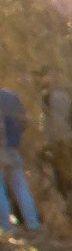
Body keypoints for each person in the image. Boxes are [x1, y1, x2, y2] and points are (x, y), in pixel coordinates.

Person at [35, 69, 72, 229]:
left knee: (62, 181)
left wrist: (45, 145)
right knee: (70, 178)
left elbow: (46, 125)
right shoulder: (71, 95)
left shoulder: (47, 97)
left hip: (58, 143)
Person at [0, 86, 39, 233]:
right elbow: (24, 122)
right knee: (21, 186)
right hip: (13, 148)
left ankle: (5, 227)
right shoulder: (12, 97)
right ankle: (33, 223)